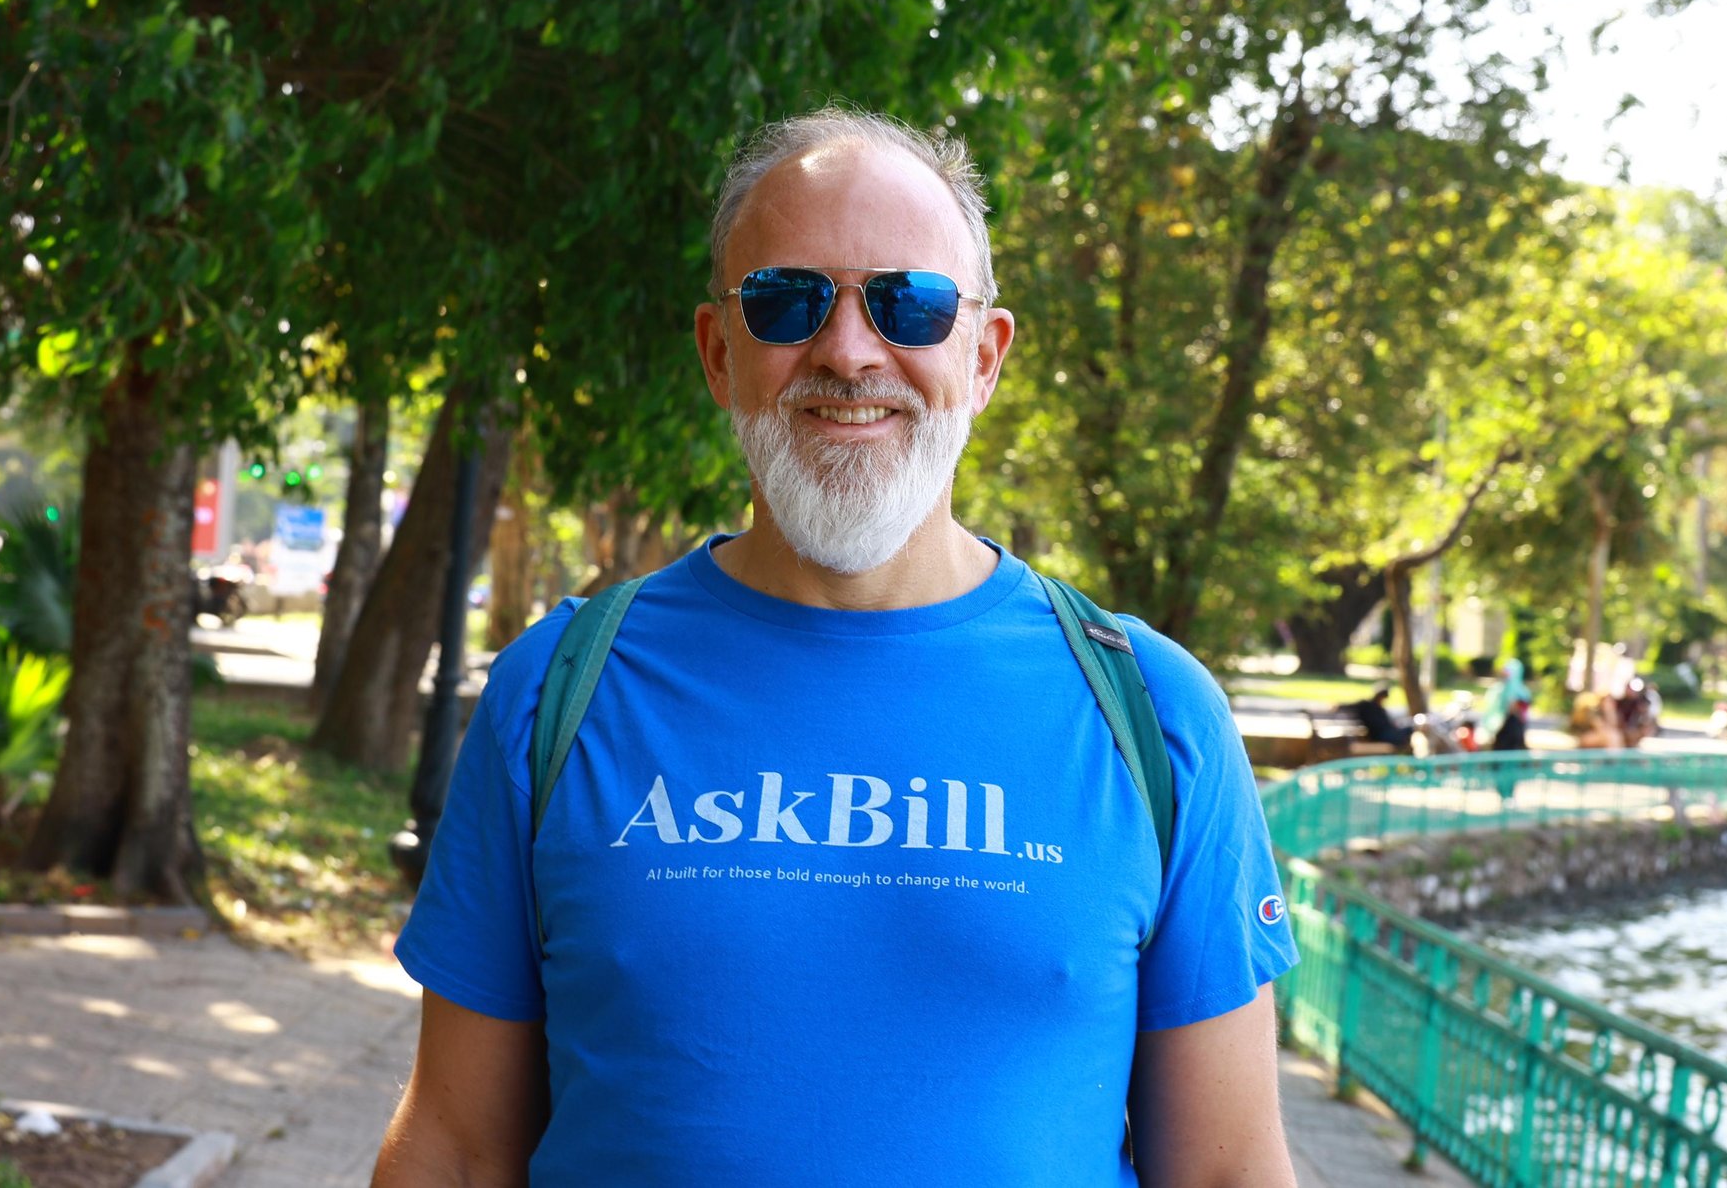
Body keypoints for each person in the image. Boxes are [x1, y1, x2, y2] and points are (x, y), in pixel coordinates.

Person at [372, 108, 1299, 1187]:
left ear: (983, 356)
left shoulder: (1154, 714)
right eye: (786, 300)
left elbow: (1229, 1171)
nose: (849, 352)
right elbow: (455, 1149)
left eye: (909, 302)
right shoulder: (557, 693)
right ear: (719, 353)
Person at [1350, 685, 1413, 750]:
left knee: (1410, 727)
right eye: (1384, 697)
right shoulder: (1368, 706)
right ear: (1379, 695)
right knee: (1410, 729)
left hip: (1387, 733)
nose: (1383, 700)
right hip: (1382, 736)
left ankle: (1408, 750)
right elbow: (1377, 725)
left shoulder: (1379, 708)